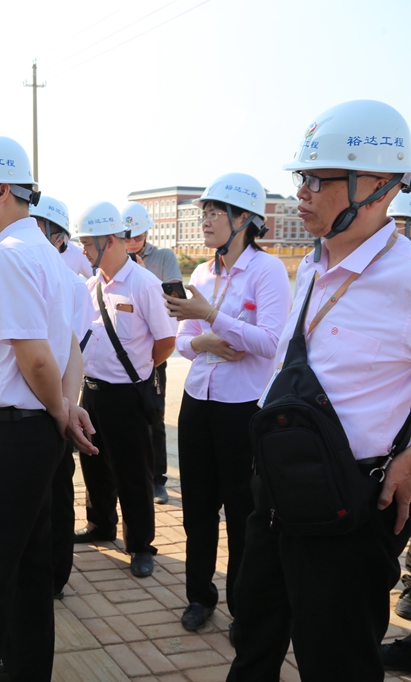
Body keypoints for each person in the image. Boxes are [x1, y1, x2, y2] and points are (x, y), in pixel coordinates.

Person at [225, 100, 411, 682]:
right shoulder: (309, 265)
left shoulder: (407, 275)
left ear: (378, 185)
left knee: (337, 659)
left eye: (319, 179)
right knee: (253, 633)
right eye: (301, 178)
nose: (302, 193)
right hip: (277, 489)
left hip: (351, 504)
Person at [0, 136, 96, 682]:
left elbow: (35, 357)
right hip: (34, 439)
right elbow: (70, 347)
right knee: (31, 573)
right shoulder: (50, 258)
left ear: (0, 191)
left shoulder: (9, 257)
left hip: (4, 441)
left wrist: (60, 412)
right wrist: (66, 409)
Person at [163, 173, 291, 634]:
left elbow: (272, 342)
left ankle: (243, 606)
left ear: (244, 220)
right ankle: (200, 595)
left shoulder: (267, 271)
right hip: (198, 400)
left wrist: (212, 318)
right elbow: (183, 340)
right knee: (197, 507)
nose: (206, 220)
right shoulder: (202, 273)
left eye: (215, 212)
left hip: (243, 407)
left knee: (241, 511)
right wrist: (206, 340)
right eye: (205, 212)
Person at [73, 201, 177, 578]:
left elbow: (166, 341)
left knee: (133, 472)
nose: (84, 251)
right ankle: (101, 524)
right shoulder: (91, 285)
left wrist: (139, 373)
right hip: (92, 391)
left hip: (127, 394)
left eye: (88, 243)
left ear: (110, 241)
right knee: (93, 464)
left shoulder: (144, 284)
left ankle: (140, 545)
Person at [33, 194, 98, 598]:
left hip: (55, 403)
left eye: (40, 229)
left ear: (59, 239)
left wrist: (65, 406)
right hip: (23, 406)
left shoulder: (73, 286)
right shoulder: (17, 274)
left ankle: (56, 574)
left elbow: (73, 349)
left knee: (57, 491)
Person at [122, 201, 183, 505]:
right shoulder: (113, 259)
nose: (133, 242)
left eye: (137, 236)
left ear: (146, 233)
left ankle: (158, 479)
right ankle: (127, 477)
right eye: (127, 237)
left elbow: (176, 300)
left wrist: (145, 276)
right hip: (123, 353)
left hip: (156, 348)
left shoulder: (163, 257)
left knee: (154, 416)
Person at [31, 197, 93, 278]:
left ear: (59, 240)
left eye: (38, 233)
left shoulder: (78, 254)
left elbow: (98, 279)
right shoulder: (20, 258)